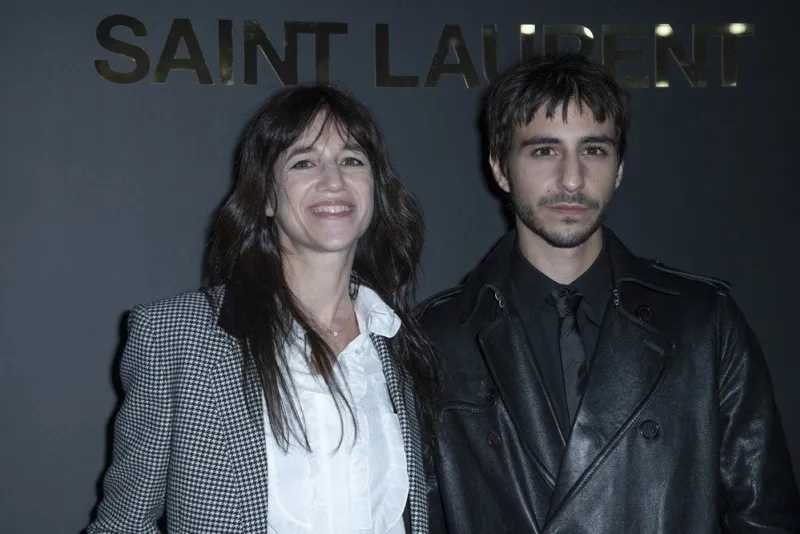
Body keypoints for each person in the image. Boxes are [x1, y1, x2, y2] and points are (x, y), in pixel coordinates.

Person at [418, 53, 800, 533]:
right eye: (544, 150)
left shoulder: (704, 324)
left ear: (619, 167)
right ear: (499, 167)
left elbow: (765, 516)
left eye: (594, 150)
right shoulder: (438, 338)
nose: (572, 179)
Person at [86, 85, 438, 533]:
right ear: (267, 198)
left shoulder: (400, 345)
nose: (334, 180)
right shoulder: (177, 337)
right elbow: (124, 525)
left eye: (352, 160)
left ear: (375, 190)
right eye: (304, 162)